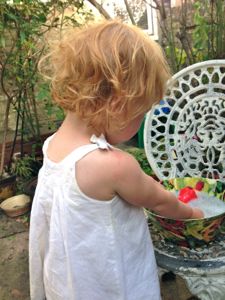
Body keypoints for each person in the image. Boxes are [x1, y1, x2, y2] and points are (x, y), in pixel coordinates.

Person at [29, 20, 204, 300]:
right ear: (118, 104)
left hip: (71, 280)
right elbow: (159, 200)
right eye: (140, 114)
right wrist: (193, 214)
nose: (140, 122)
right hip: (109, 283)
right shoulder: (111, 165)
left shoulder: (53, 145)